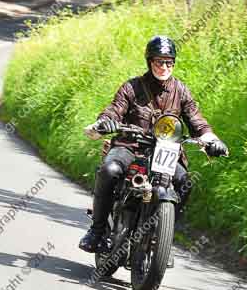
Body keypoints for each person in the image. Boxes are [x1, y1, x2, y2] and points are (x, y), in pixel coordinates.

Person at [79, 35, 228, 255]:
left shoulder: (181, 91)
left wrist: (212, 140)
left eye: (169, 62)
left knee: (184, 181)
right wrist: (104, 123)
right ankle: (97, 230)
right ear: (150, 61)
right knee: (109, 170)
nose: (164, 66)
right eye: (159, 61)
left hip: (165, 153)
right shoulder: (131, 87)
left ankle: (162, 236)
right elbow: (115, 109)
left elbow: (197, 121)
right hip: (130, 147)